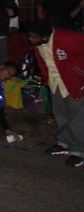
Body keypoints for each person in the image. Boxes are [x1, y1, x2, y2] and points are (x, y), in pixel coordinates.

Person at [28, 20, 84, 167]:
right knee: (60, 113)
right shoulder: (39, 44)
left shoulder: (68, 38)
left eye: (33, 37)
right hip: (55, 82)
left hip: (74, 82)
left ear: (45, 37)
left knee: (76, 117)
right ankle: (64, 142)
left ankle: (78, 150)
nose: (30, 39)